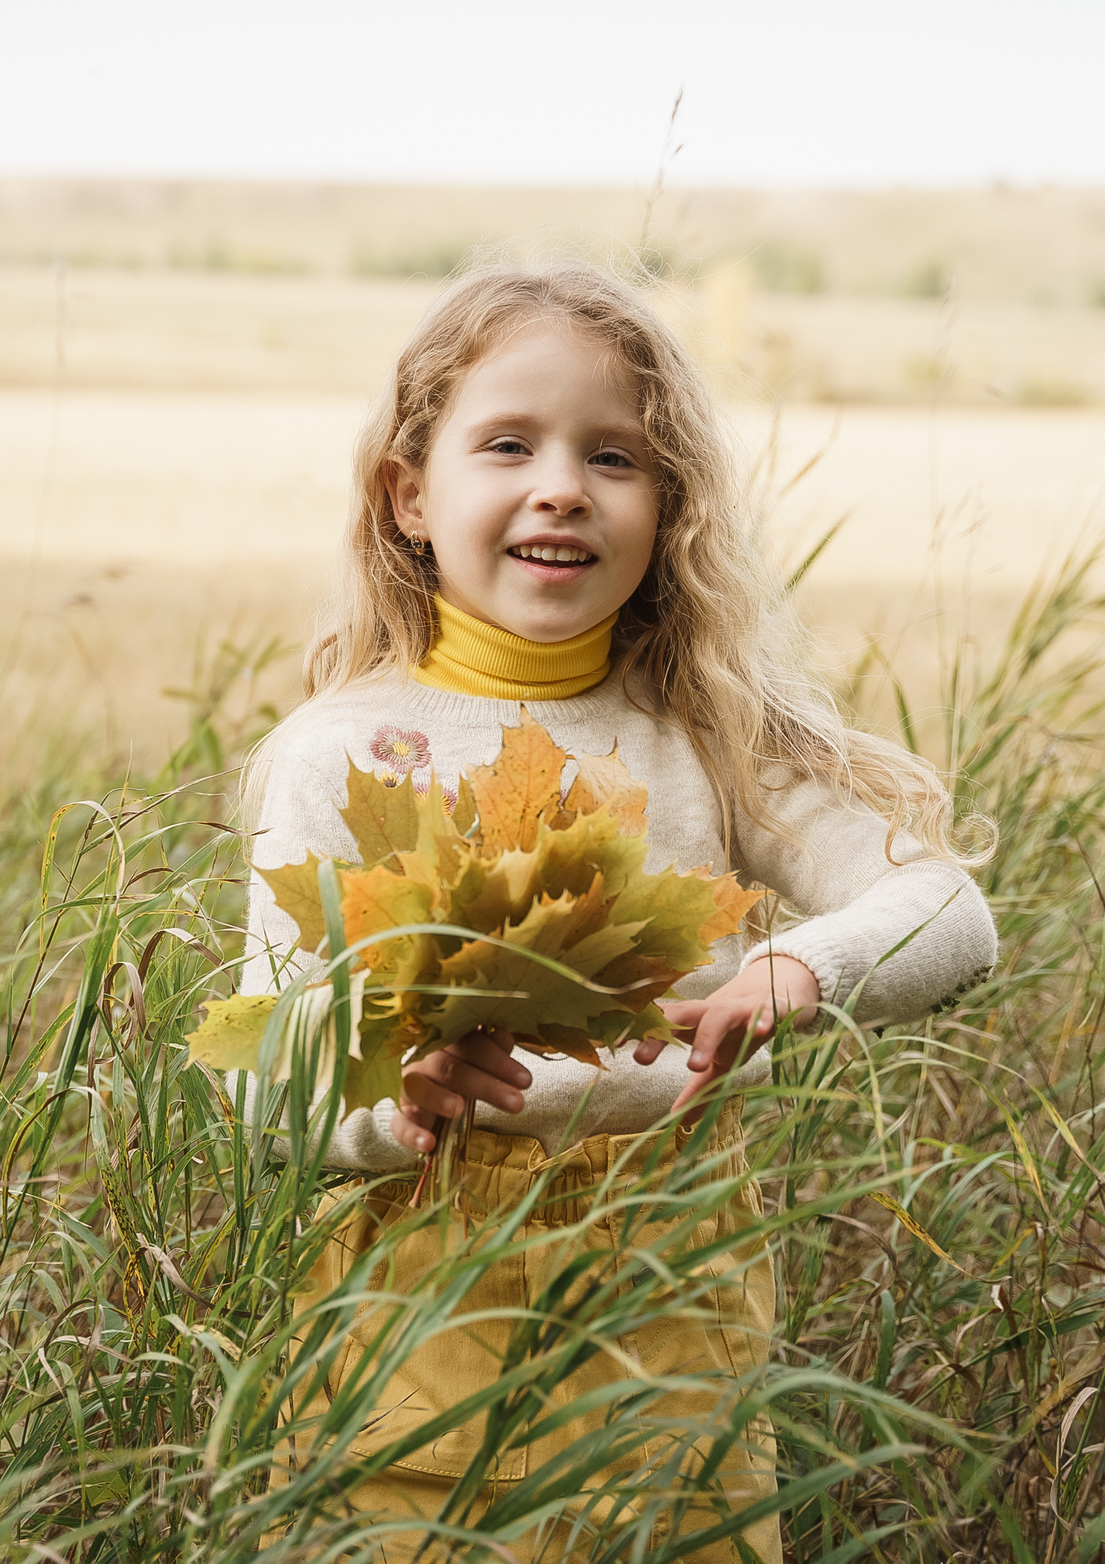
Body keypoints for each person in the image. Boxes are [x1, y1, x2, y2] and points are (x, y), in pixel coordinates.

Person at [237, 262, 997, 1560]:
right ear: (409, 495)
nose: (562, 487)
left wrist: (797, 972)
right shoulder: (338, 752)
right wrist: (392, 1089)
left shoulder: (704, 735)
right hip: (416, 1284)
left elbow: (947, 910)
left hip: (669, 1273)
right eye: (508, 444)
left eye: (614, 456)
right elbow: (267, 1078)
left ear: (668, 508)